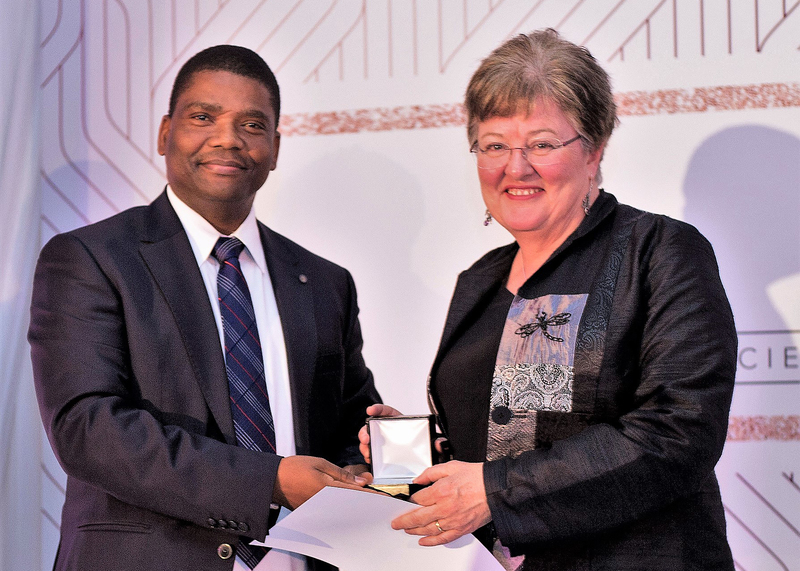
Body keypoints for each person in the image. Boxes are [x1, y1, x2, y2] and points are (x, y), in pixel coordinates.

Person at [360, 29, 736, 570]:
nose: (516, 167)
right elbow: (510, 437)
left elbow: (680, 432)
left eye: (541, 143)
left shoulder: (657, 252)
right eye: (494, 145)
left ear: (594, 149)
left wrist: (493, 490)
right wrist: (426, 457)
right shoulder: (480, 281)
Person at [29, 45, 381, 571]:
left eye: (252, 124)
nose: (228, 139)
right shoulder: (91, 259)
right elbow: (88, 428)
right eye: (203, 117)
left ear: (276, 147)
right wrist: (271, 481)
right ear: (165, 132)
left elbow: (348, 422)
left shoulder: (324, 282)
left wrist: (373, 450)